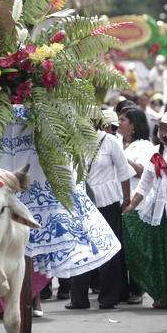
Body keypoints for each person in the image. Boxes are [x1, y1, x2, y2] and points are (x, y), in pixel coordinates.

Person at [122, 112, 167, 309]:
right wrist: (131, 207)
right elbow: (143, 187)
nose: (162, 133)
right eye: (160, 128)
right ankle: (163, 295)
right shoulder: (155, 154)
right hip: (159, 212)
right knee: (160, 255)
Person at [68, 111, 134, 310]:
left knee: (109, 249)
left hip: (107, 201)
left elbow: (124, 172)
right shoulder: (74, 141)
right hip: (81, 201)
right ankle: (78, 298)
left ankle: (108, 298)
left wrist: (127, 199)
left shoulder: (110, 141)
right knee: (80, 249)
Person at [118, 107, 156, 304]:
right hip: (117, 199)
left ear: (133, 125)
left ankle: (137, 288)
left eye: (123, 119)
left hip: (136, 201)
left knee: (135, 246)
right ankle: (123, 288)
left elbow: (143, 172)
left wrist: (122, 158)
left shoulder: (145, 146)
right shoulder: (119, 142)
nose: (119, 122)